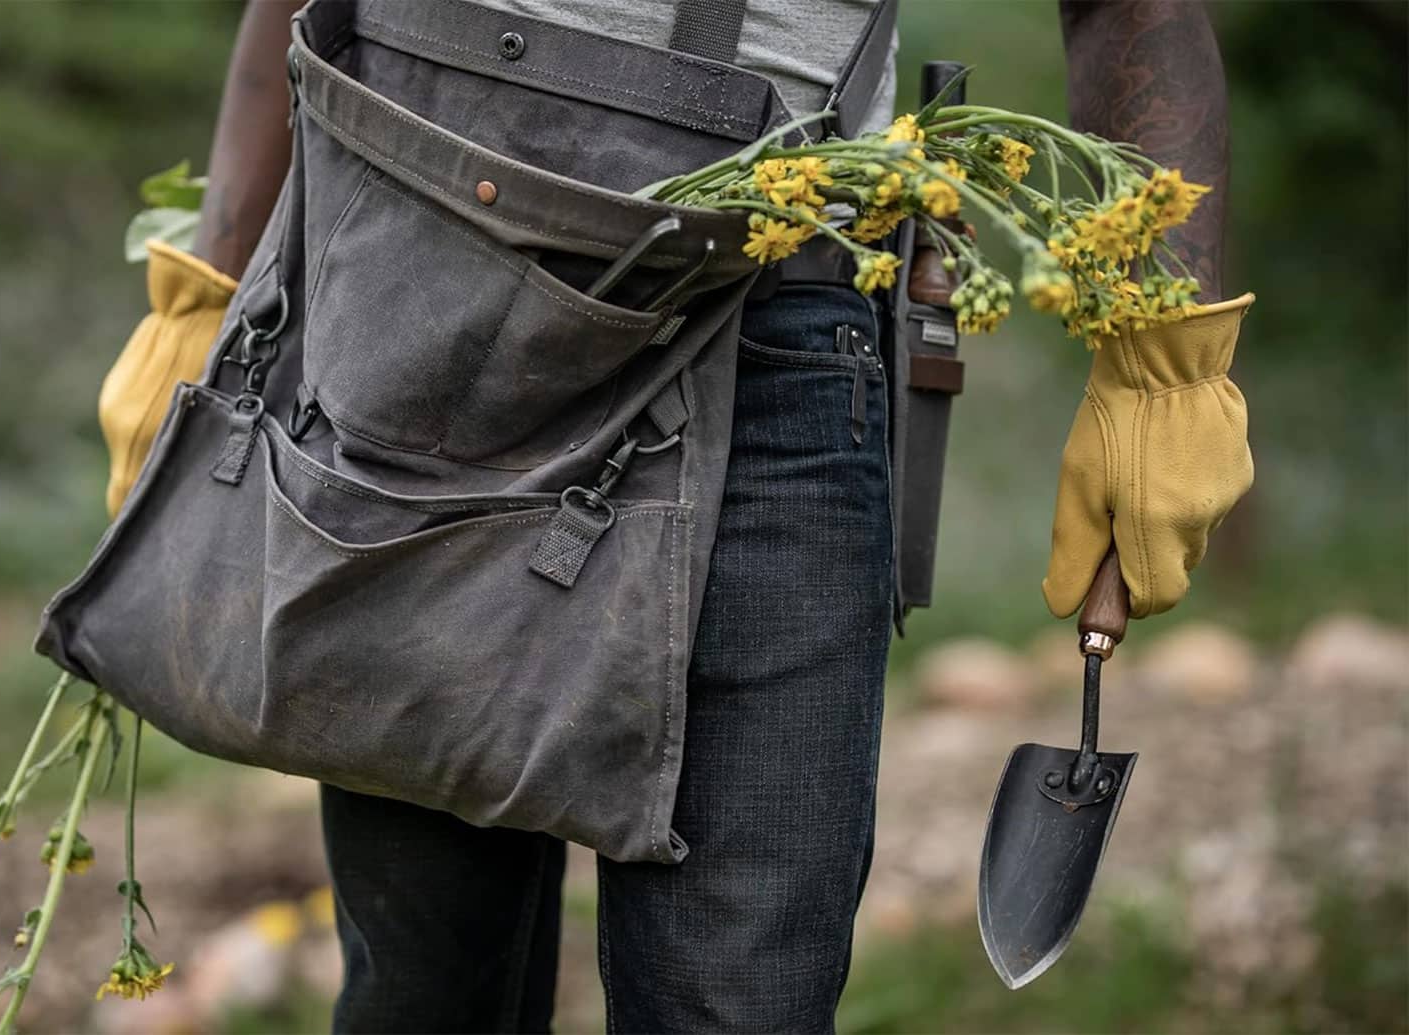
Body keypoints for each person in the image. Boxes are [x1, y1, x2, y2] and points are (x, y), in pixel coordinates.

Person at [102, 1, 1250, 1029]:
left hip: (776, 312)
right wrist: (216, 281)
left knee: (733, 1006)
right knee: (424, 988)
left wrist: (1164, 359)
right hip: (417, 273)